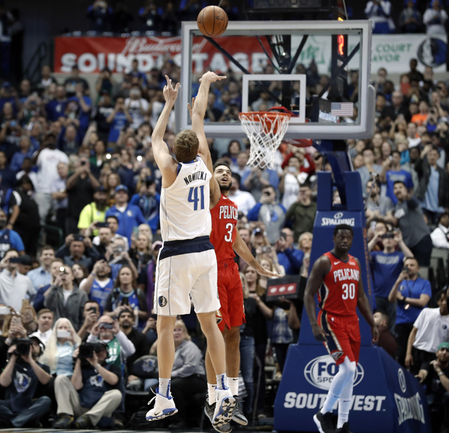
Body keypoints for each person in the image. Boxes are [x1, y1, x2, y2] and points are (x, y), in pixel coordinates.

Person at [145, 73, 236, 429]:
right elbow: (198, 117)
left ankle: (164, 396)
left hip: (177, 255)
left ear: (174, 153)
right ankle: (226, 390)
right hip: (206, 254)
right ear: (197, 150)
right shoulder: (206, 165)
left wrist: (168, 101)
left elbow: (155, 138)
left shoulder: (169, 170)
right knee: (210, 323)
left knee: (165, 326)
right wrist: (205, 83)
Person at [206, 162, 279, 427]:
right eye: (219, 170)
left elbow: (236, 240)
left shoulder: (232, 206)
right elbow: (205, 159)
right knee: (218, 333)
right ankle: (213, 397)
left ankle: (232, 399)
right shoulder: (210, 195)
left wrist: (256, 264)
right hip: (211, 271)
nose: (225, 173)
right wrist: (198, 120)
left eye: (228, 171)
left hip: (232, 271)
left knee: (235, 333)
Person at [304, 224, 378, 433]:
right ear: (334, 239)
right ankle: (323, 413)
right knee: (348, 368)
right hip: (331, 321)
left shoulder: (355, 263)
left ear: (352, 240)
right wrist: (313, 324)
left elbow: (361, 296)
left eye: (348, 237)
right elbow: (309, 294)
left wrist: (372, 323)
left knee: (350, 374)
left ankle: (343, 423)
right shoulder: (323, 262)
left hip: (351, 321)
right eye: (341, 237)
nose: (345, 240)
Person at [52, 341, 123, 429]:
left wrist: (96, 365)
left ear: (107, 353)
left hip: (100, 409)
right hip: (81, 405)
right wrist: (79, 359)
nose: (100, 353)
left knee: (116, 394)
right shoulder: (84, 367)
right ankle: (66, 416)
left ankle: (89, 418)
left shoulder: (113, 367)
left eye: (103, 350)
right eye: (97, 350)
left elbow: (113, 381)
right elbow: (76, 386)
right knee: (61, 379)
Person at [0, 337, 51, 428]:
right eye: (30, 345)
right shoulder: (13, 365)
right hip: (11, 404)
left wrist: (30, 360)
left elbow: (45, 380)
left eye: (35, 345)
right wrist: (13, 358)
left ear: (40, 350)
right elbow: (3, 383)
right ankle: (24, 420)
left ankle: (12, 422)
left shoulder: (43, 367)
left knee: (46, 401)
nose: (31, 347)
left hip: (29, 404)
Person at [388, 257, 432, 367]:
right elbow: (391, 299)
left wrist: (403, 299)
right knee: (401, 354)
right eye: (407, 265)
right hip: (402, 322)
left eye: (412, 265)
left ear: (418, 268)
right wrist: (398, 281)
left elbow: (423, 302)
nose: (409, 267)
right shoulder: (400, 282)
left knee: (416, 355)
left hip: (419, 322)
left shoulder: (424, 283)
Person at [368, 229, 413, 331]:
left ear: (395, 241)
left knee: (392, 324)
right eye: (385, 238)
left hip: (394, 295)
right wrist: (375, 239)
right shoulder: (375, 254)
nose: (388, 240)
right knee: (376, 323)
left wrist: (400, 241)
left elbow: (411, 259)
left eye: (391, 238)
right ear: (382, 241)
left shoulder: (400, 255)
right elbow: (363, 254)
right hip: (378, 294)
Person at [405, 290, 449, 375]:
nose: (444, 303)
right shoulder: (426, 312)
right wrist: (408, 353)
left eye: (447, 301)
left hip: (435, 355)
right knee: (414, 380)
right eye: (441, 300)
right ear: (437, 302)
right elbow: (413, 332)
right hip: (418, 351)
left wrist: (444, 362)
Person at [415, 342, 449, 433]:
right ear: (437, 353)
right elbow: (423, 373)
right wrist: (420, 377)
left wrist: (439, 371)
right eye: (442, 350)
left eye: (447, 351)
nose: (444, 352)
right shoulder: (428, 365)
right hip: (434, 405)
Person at [0, 249, 35, 313]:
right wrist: (0, 267)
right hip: (1, 319)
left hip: (18, 319)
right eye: (10, 258)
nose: (13, 260)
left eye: (15, 258)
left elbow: (33, 295)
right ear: (4, 260)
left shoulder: (25, 279)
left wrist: (27, 308)